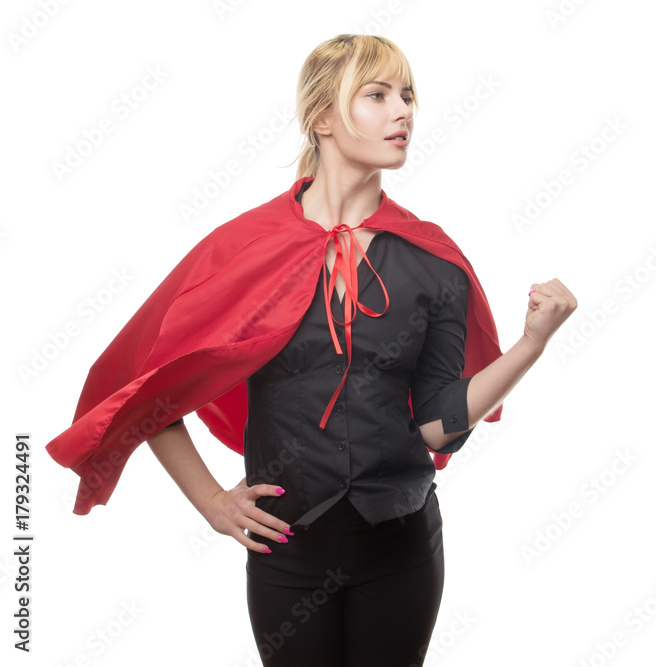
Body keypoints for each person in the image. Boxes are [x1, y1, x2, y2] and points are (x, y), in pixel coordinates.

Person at [47, 34, 576, 666]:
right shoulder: (243, 247)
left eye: (408, 95)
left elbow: (438, 426)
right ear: (322, 118)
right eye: (377, 95)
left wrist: (531, 345)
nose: (403, 111)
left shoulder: (433, 261)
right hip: (287, 553)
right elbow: (146, 385)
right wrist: (212, 502)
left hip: (401, 549)